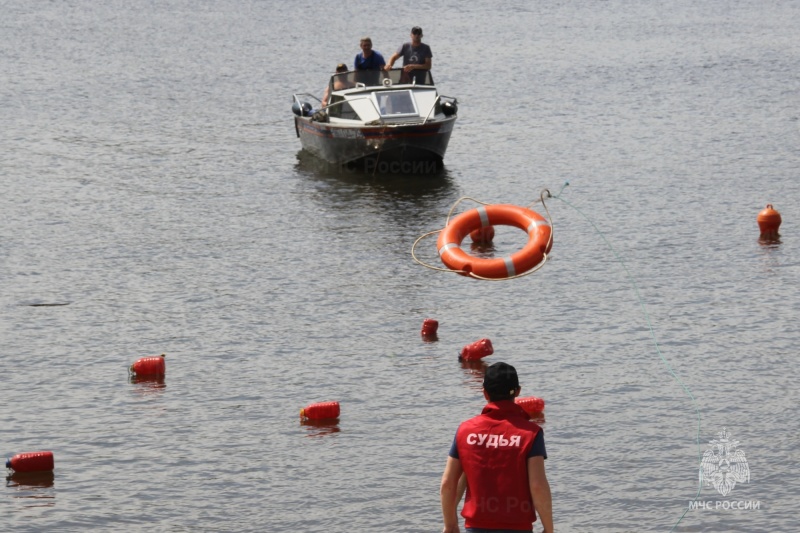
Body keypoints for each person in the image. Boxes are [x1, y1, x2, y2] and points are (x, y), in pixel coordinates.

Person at [440, 362, 553, 533]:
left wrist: (450, 524)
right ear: (518, 391)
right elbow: (537, 485)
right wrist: (548, 529)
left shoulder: (465, 430)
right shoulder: (531, 433)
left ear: (485, 393)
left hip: (476, 527)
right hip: (518, 528)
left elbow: (448, 483)